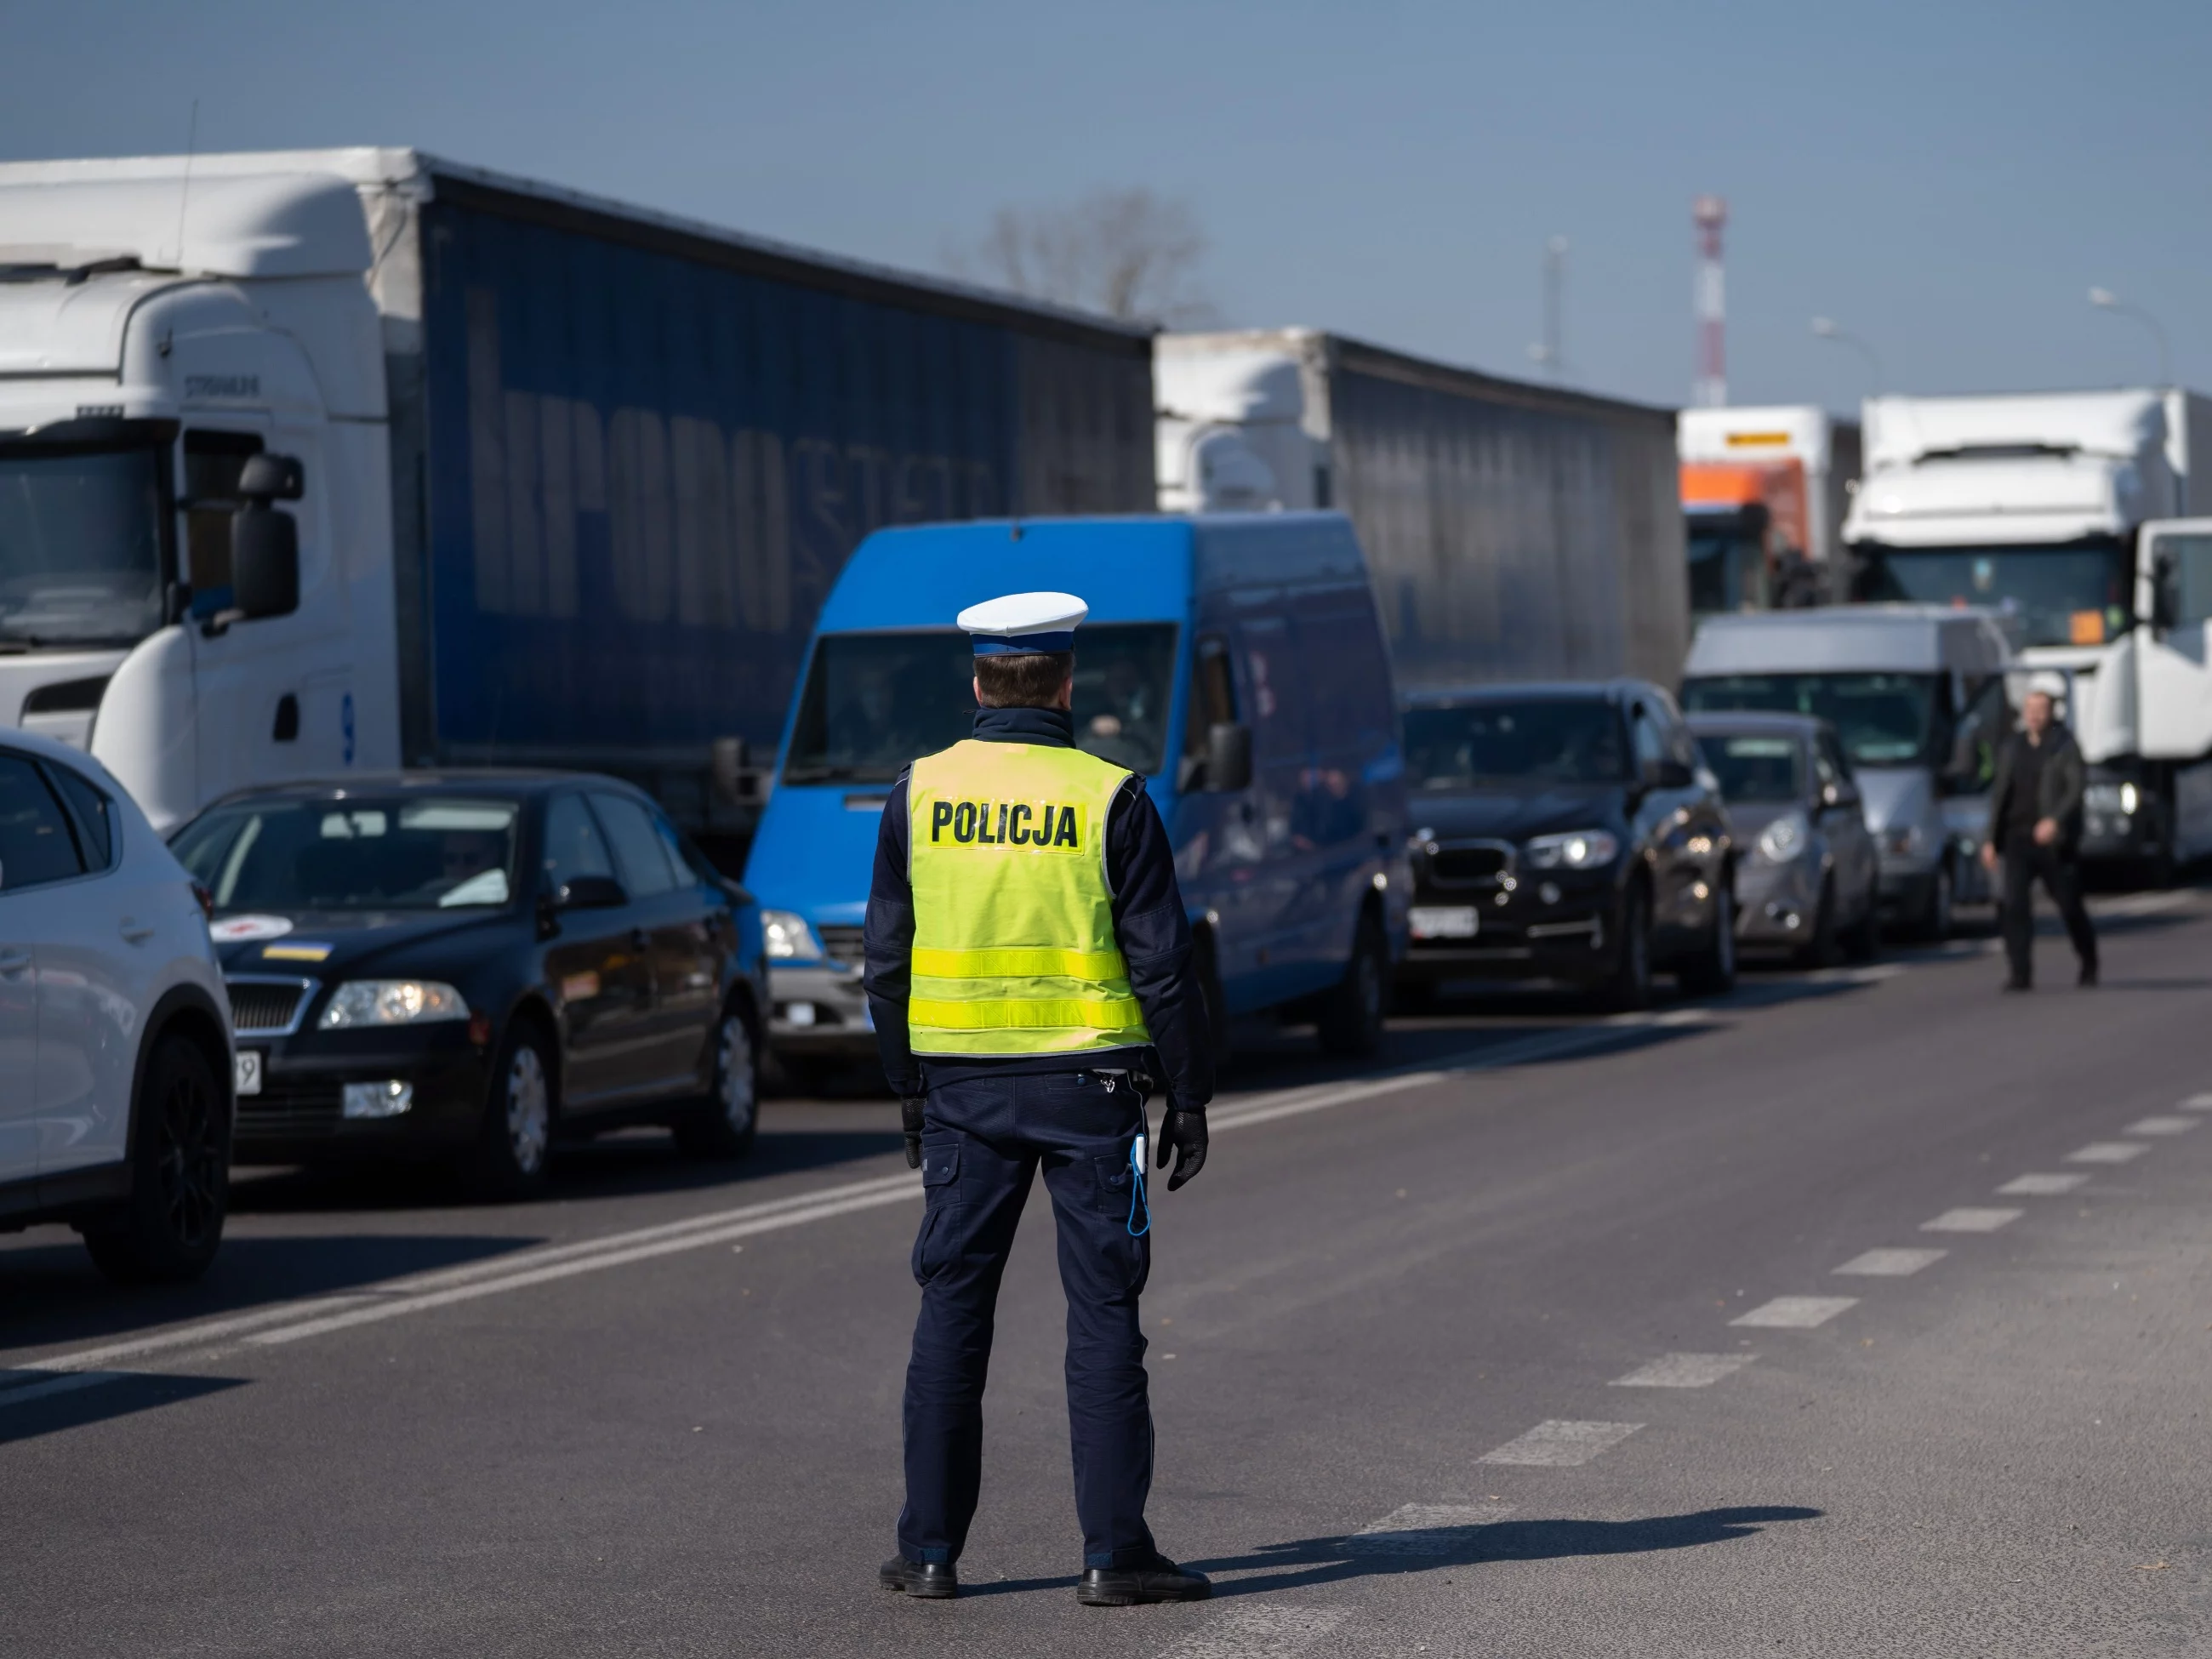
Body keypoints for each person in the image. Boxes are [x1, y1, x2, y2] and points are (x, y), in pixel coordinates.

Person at [864, 590, 1216, 1606]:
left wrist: (905, 1085)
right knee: (1103, 1318)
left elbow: (884, 961)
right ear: (1065, 683)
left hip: (962, 1091)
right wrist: (1185, 1096)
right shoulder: (1111, 795)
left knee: (951, 1313)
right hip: (1089, 1090)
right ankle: (1114, 1556)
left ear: (978, 683)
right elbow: (1163, 964)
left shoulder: (917, 794)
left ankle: (928, 1553)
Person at [1980, 685, 2096, 990]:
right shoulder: (2012, 747)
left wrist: (2055, 820)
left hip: (2052, 842)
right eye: (2030, 710)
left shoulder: (2064, 746)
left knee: (2069, 904)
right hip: (2016, 838)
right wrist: (1990, 839)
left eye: (2040, 710)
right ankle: (2020, 972)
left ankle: (2088, 960)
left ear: (2051, 713)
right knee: (2013, 905)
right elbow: (2000, 795)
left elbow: (2075, 788)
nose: (2034, 716)